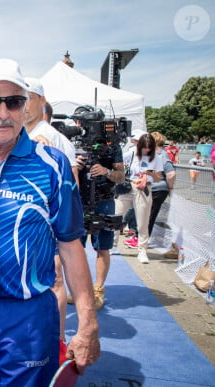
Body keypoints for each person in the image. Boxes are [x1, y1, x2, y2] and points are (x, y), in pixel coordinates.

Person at [0, 58, 99, 386]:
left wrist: (87, 322)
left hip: (28, 316)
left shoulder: (51, 164)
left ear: (26, 107)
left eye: (14, 101)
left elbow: (71, 247)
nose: (2, 112)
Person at [23, 76, 79, 354]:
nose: (22, 103)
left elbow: (71, 184)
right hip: (29, 228)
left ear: (41, 101)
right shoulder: (18, 131)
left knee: (55, 279)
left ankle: (57, 339)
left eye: (28, 97)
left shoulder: (54, 137)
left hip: (49, 227)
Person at [74, 105, 126, 310]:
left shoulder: (112, 145)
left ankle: (98, 289)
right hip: (78, 201)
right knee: (74, 248)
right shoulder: (74, 142)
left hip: (104, 201)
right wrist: (74, 166)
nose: (81, 126)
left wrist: (105, 171)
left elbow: (121, 176)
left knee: (102, 247)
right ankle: (79, 290)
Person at [115, 133, 163, 263]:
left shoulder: (156, 158)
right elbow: (117, 164)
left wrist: (150, 173)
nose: (146, 150)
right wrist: (121, 173)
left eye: (149, 147)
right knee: (117, 215)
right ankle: (113, 244)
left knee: (142, 221)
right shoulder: (131, 154)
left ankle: (142, 250)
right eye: (144, 147)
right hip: (128, 185)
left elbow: (159, 178)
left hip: (144, 188)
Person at [148, 132, 175, 237]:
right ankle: (139, 237)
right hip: (150, 188)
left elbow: (171, 174)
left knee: (149, 216)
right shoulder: (153, 154)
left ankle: (142, 239)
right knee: (145, 215)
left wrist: (170, 187)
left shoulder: (162, 155)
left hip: (157, 189)